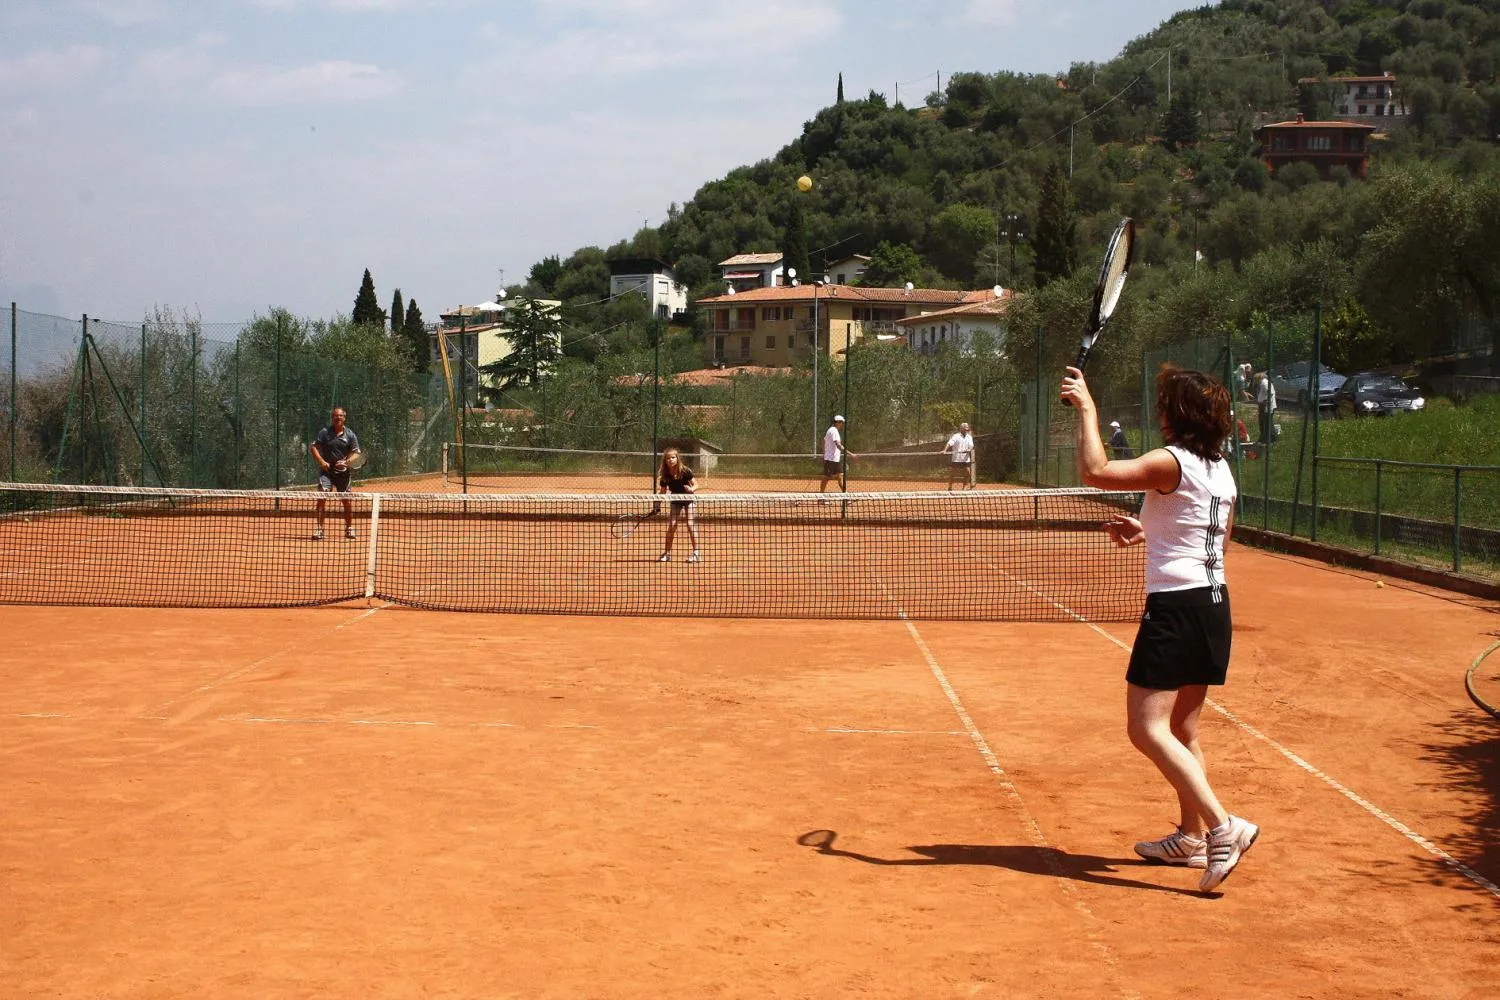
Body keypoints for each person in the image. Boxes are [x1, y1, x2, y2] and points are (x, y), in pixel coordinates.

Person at [1060, 362, 1258, 894]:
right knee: (1182, 730)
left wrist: (1087, 407)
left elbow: (1094, 472)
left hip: (1176, 609)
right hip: (1214, 606)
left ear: (1178, 416)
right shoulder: (1220, 470)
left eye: (1166, 403)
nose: (1159, 410)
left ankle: (1222, 826)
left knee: (1145, 728)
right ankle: (1191, 839)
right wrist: (1148, 529)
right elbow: (1211, 537)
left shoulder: (1170, 460)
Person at [310, 406, 361, 540]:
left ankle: (349, 528)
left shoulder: (350, 434)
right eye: (335, 416)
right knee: (322, 496)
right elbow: (313, 447)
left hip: (343, 474)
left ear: (344, 418)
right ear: (332, 418)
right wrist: (321, 461)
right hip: (326, 472)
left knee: (347, 501)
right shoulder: (324, 432)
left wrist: (347, 462)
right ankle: (320, 529)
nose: (338, 418)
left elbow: (356, 453)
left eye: (340, 416)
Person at [656, 447, 701, 564]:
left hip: (689, 499)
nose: (670, 460)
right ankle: (667, 553)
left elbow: (696, 484)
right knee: (672, 525)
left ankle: (696, 553)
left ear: (677, 458)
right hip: (676, 499)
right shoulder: (665, 474)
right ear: (665, 461)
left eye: (673, 457)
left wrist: (691, 489)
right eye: (668, 458)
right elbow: (663, 491)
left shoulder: (685, 471)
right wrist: (657, 503)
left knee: (690, 524)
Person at [819, 415, 856, 492]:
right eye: (842, 423)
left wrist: (824, 454)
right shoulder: (834, 431)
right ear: (838, 423)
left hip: (834, 459)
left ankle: (846, 497)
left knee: (840, 477)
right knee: (826, 478)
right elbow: (838, 445)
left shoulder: (830, 430)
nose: (842, 425)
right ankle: (821, 497)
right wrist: (850, 454)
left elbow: (823, 441)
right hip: (831, 459)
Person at [943, 422, 977, 490]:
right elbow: (950, 443)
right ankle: (950, 487)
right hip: (956, 458)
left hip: (965, 458)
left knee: (968, 472)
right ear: (961, 429)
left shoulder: (969, 437)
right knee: (953, 474)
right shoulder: (956, 436)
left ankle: (964, 487)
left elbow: (971, 446)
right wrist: (945, 450)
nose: (967, 430)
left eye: (967, 428)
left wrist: (969, 449)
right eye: (965, 428)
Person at [1254, 372, 1277, 446]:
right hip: (1265, 406)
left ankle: (1268, 440)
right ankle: (1272, 438)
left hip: (1267, 406)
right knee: (1268, 423)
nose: (1255, 381)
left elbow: (1270, 393)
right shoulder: (1263, 383)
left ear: (1258, 378)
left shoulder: (1264, 383)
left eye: (1255, 379)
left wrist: (1265, 402)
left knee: (1267, 423)